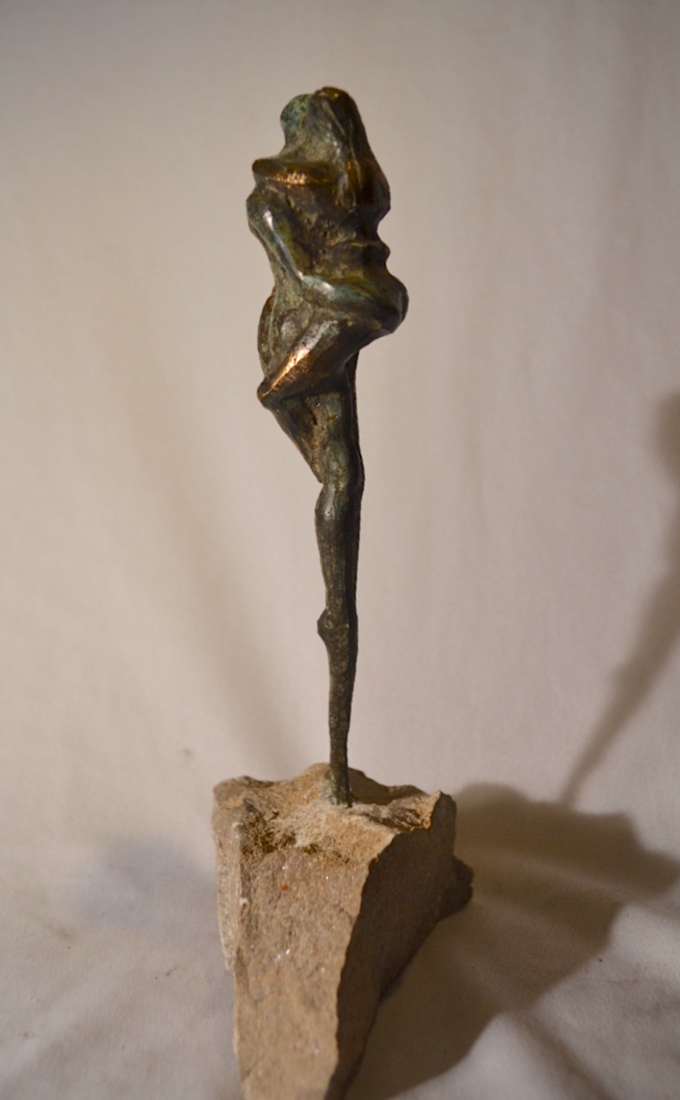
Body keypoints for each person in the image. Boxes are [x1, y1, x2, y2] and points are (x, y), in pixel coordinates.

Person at [247, 87, 408, 804]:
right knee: (339, 475)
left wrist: (363, 301)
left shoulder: (341, 181)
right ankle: (336, 620)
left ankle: (337, 619)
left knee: (341, 475)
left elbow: (335, 278)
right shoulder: (278, 197)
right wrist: (364, 300)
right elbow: (306, 278)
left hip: (328, 320)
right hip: (307, 323)